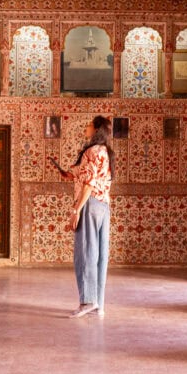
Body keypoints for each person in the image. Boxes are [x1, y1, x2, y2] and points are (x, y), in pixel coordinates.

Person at [56, 115, 114, 318]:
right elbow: (90, 177)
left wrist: (76, 210)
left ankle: (87, 301)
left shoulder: (91, 151)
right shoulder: (105, 151)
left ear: (96, 129)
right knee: (100, 255)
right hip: (103, 205)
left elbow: (88, 184)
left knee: (85, 253)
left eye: (89, 126)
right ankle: (98, 303)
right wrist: (71, 175)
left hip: (89, 205)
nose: (86, 128)